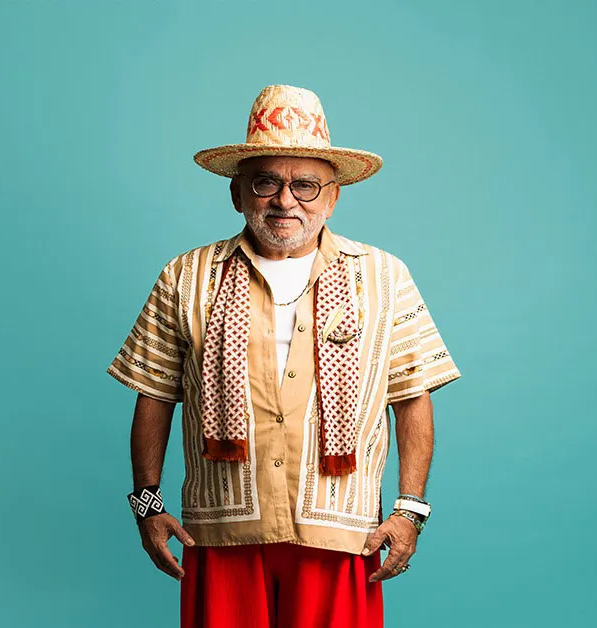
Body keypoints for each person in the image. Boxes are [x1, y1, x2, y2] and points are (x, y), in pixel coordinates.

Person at [108, 84, 461, 628]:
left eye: (305, 185)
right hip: (222, 529)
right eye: (266, 182)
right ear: (237, 193)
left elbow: (412, 397)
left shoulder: (384, 277)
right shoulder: (186, 277)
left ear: (333, 197)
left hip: (341, 532)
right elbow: (154, 395)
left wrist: (410, 509)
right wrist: (147, 507)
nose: (285, 200)